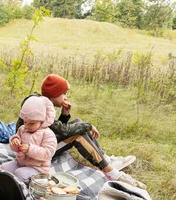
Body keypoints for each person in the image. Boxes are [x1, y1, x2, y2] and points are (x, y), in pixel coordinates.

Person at [16, 74, 146, 189]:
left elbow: (52, 128)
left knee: (78, 122)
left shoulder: (39, 101)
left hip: (38, 141)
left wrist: (65, 115)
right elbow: (64, 130)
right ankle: (112, 172)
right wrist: (88, 126)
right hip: (34, 152)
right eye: (64, 93)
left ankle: (107, 159)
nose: (66, 97)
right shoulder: (39, 107)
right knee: (78, 134)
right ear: (54, 93)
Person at [3, 95, 58, 184]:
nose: (27, 126)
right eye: (25, 122)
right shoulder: (22, 129)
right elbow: (16, 146)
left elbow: (47, 153)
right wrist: (15, 141)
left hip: (37, 169)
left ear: (42, 120)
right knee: (3, 168)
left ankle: (20, 187)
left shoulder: (48, 134)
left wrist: (30, 149)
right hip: (20, 163)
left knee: (19, 174)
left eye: (32, 123)